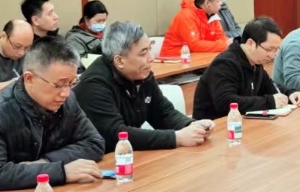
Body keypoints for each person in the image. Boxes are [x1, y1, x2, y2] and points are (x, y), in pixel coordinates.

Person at [0, 39, 105, 192]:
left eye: (72, 83)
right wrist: (61, 171)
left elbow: (94, 143)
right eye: (59, 85)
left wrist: (46, 162)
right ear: (29, 78)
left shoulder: (67, 101)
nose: (66, 93)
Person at [76, 21, 214, 151]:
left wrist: (191, 125)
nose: (151, 57)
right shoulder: (94, 85)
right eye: (143, 52)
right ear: (119, 61)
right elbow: (117, 134)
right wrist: (176, 138)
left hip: (130, 154)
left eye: (150, 49)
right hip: (100, 158)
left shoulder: (142, 75)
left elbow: (163, 113)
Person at [192, 17, 300, 120]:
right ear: (251, 43)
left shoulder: (255, 62)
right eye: (269, 49)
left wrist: (289, 93)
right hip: (214, 126)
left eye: (276, 50)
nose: (273, 55)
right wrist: (270, 102)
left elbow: (269, 86)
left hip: (241, 122)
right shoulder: (224, 64)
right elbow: (226, 102)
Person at [163, 0, 229, 54]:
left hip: (197, 57)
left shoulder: (212, 16)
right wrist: (223, 45)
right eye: (218, 0)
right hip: (172, 58)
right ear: (207, 3)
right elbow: (194, 45)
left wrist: (225, 44)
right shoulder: (186, 15)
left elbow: (222, 38)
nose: (221, 3)